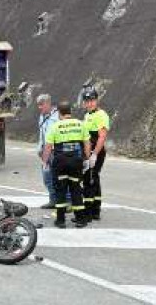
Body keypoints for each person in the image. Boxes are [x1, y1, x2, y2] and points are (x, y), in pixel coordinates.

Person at [42, 101, 90, 229]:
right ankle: (80, 219)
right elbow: (87, 143)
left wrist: (45, 162)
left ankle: (61, 220)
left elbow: (48, 146)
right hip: (76, 161)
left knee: (60, 191)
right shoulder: (80, 124)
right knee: (76, 189)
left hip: (60, 162)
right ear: (70, 111)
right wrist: (86, 159)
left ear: (59, 113)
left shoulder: (55, 126)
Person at [81, 88, 111, 221]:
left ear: (97, 100)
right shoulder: (87, 115)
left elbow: (102, 137)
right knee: (94, 179)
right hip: (89, 151)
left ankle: (88, 212)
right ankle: (95, 210)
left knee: (89, 180)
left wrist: (94, 155)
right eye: (87, 101)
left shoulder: (101, 115)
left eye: (92, 100)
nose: (90, 103)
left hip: (96, 152)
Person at [36, 94, 59, 209]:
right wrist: (39, 148)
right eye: (38, 105)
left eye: (42, 104)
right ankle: (53, 200)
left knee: (59, 178)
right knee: (47, 178)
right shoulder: (42, 116)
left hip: (55, 151)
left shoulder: (58, 116)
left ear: (48, 103)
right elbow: (42, 134)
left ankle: (67, 202)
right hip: (45, 151)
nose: (39, 107)